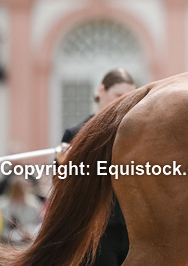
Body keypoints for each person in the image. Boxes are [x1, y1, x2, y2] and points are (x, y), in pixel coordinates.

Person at [57, 68, 137, 266]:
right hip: (94, 233)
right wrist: (63, 163)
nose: (124, 102)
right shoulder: (76, 134)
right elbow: (61, 187)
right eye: (118, 95)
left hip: (133, 230)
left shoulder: (135, 136)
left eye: (130, 97)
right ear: (101, 90)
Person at [0, 176, 43, 245]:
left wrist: (29, 232)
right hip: (7, 241)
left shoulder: (34, 205)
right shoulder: (2, 205)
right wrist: (11, 235)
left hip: (28, 241)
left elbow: (37, 225)